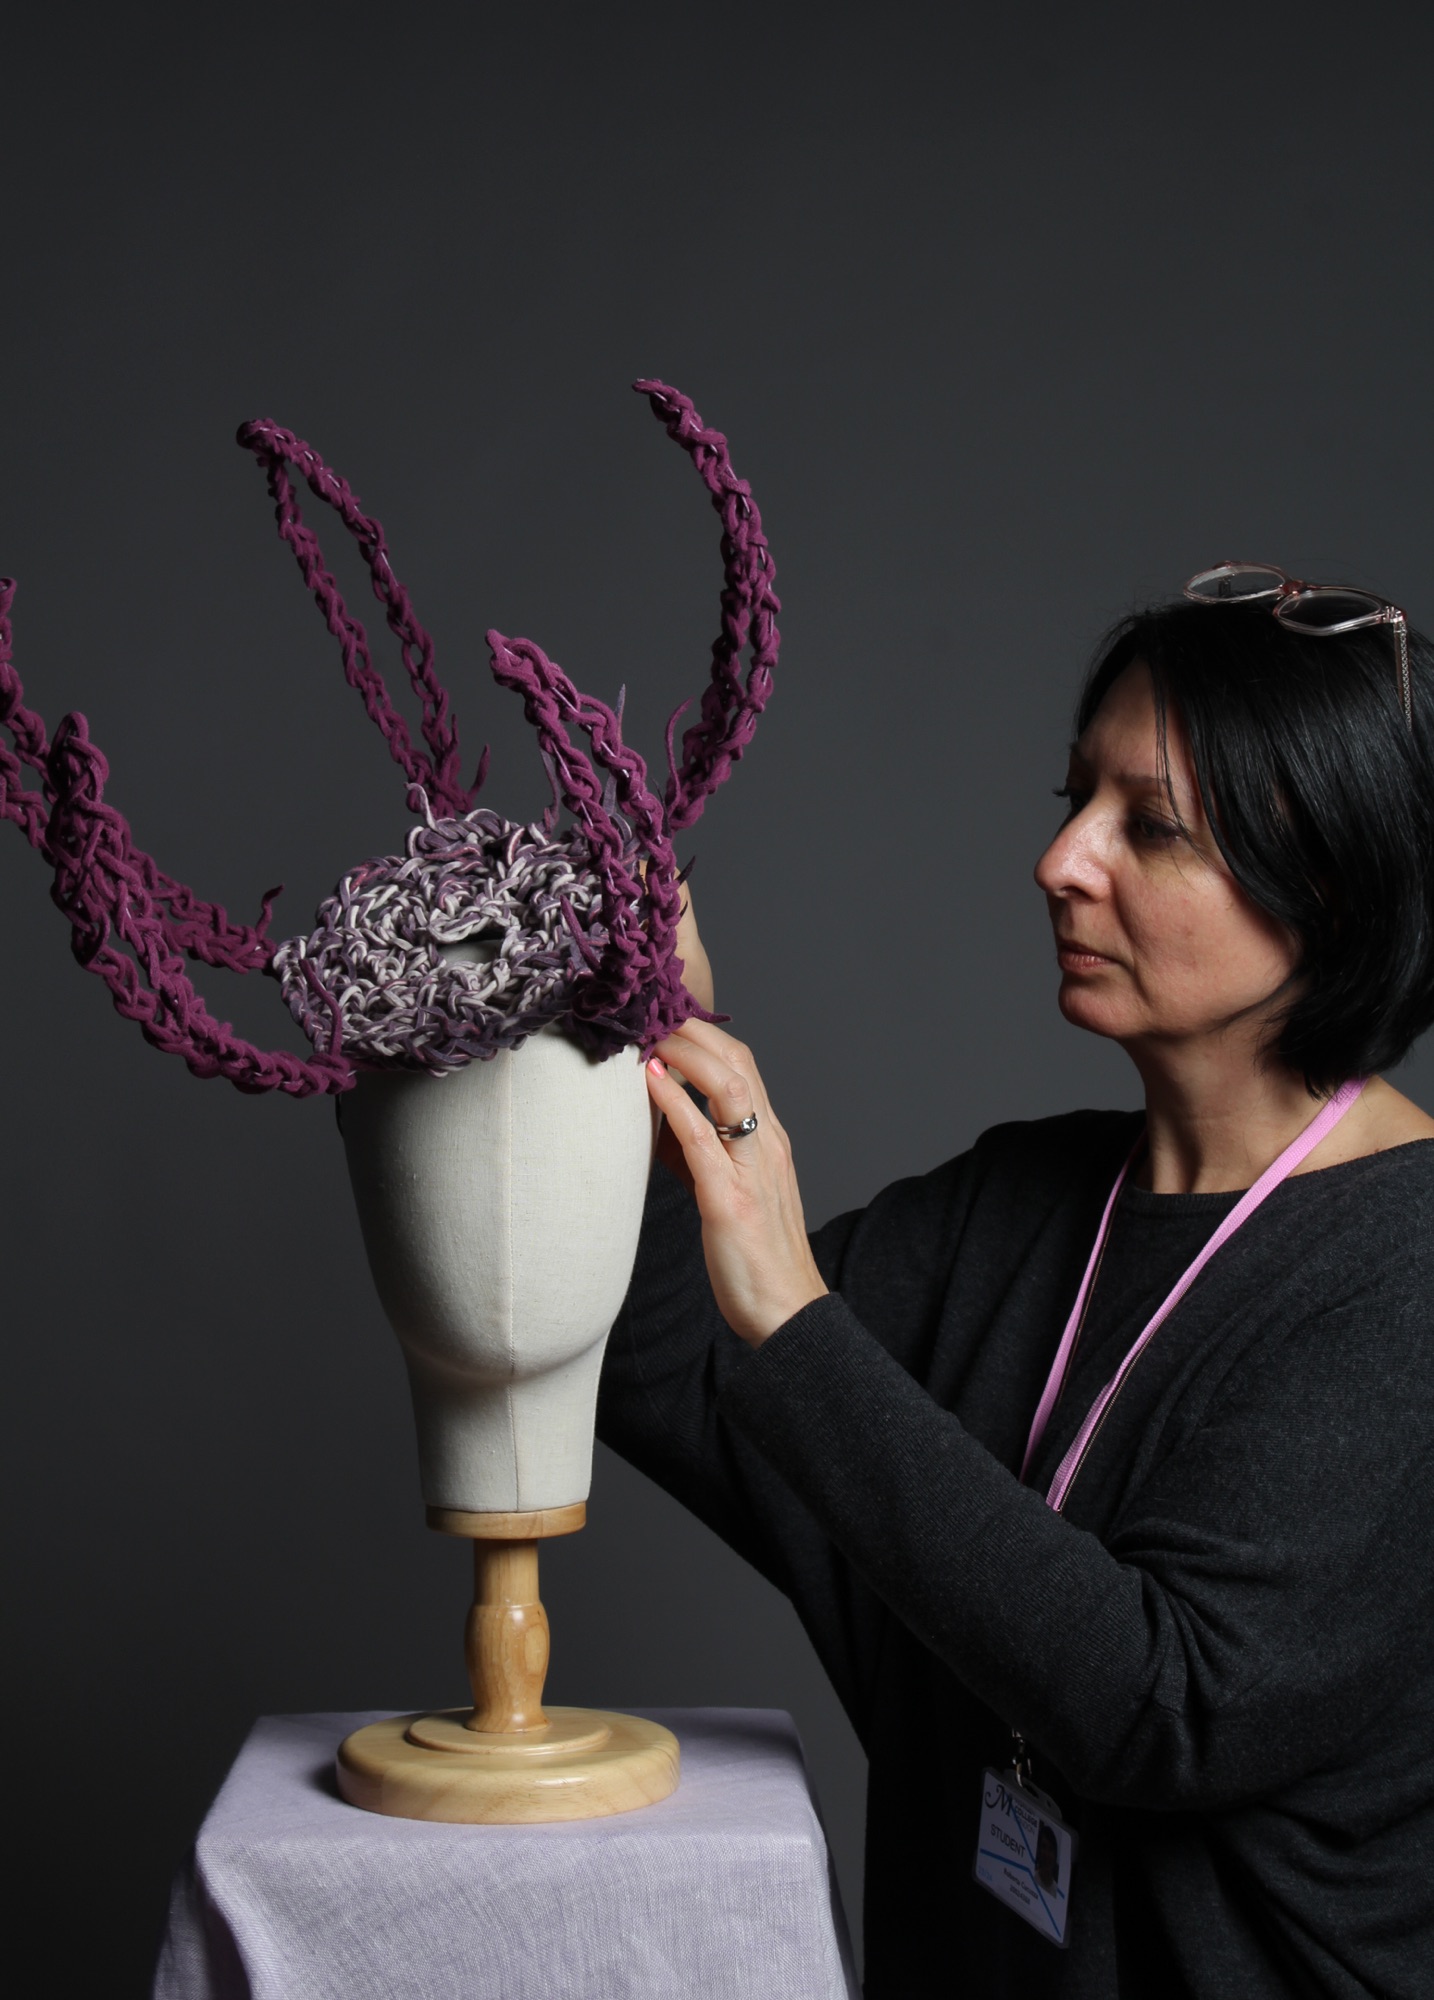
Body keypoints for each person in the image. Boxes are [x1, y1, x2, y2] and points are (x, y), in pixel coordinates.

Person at [596, 569, 1434, 1999]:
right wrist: (648, 1029)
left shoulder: (1404, 1272)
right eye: (1073, 800)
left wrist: (797, 1317)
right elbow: (673, 1368)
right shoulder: (1018, 1201)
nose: (1061, 861)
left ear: (1333, 887)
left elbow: (1165, 1707)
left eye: (1150, 826)